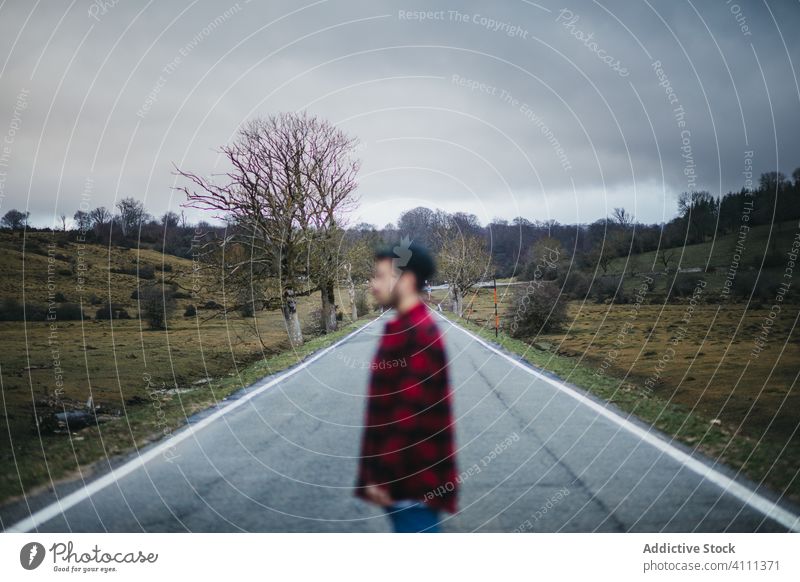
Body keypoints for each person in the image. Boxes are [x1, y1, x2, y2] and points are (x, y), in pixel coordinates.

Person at [354, 240, 458, 532]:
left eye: (380, 276)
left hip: (413, 480)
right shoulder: (402, 328)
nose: (373, 285)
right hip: (404, 479)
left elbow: (408, 414)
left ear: (407, 280)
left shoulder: (420, 334)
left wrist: (383, 474)